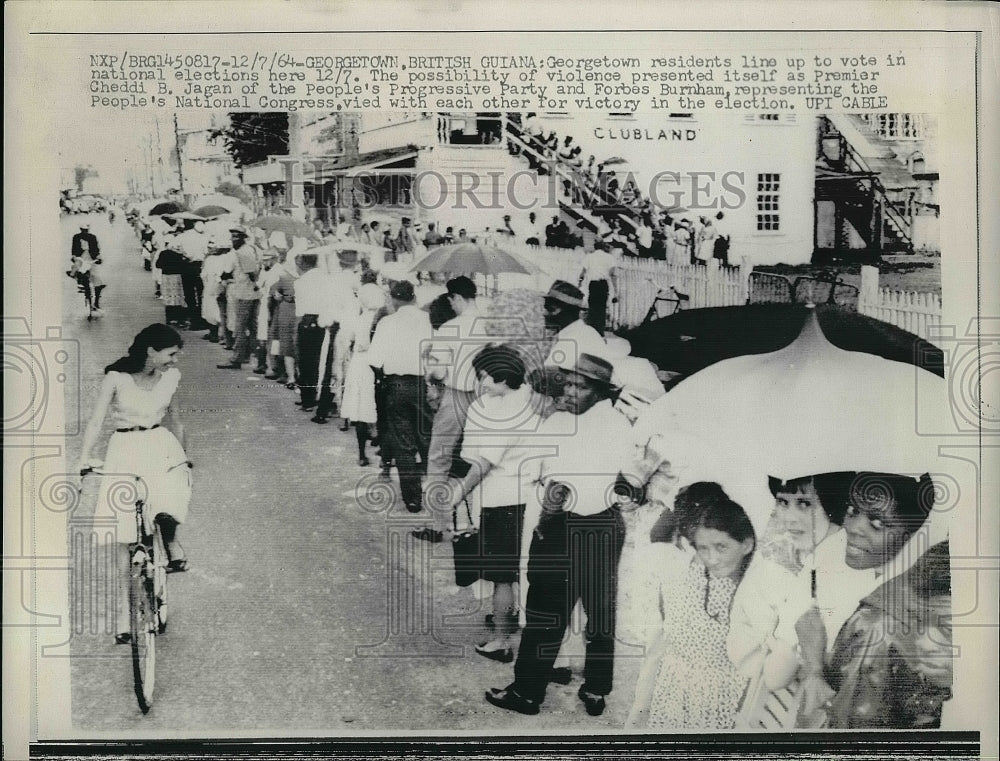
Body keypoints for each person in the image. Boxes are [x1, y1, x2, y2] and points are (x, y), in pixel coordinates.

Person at [485, 354, 633, 717]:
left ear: (599, 392)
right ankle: (597, 689)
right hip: (606, 525)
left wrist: (543, 526)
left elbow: (554, 487)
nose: (569, 391)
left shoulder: (566, 424)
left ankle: (527, 693)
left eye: (579, 386)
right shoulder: (619, 423)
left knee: (545, 613)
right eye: (566, 383)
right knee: (600, 613)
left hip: (565, 524)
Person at [795, 472, 952, 729]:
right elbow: (804, 609)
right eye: (853, 510)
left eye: (878, 523)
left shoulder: (913, 590)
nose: (853, 527)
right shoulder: (832, 548)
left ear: (910, 534)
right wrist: (814, 671)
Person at [76, 324, 192, 644]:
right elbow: (97, 421)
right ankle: (123, 616)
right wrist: (82, 460)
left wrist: (184, 456)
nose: (175, 360)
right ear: (151, 352)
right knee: (124, 534)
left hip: (160, 445)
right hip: (124, 451)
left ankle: (169, 541)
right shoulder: (116, 379)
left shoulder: (171, 378)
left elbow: (176, 420)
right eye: (170, 353)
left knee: (170, 497)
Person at [626, 484, 769, 729]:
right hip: (675, 681)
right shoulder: (683, 567)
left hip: (718, 691)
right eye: (701, 544)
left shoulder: (748, 583)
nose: (709, 553)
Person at [446, 345, 539, 661]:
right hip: (527, 496)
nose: (481, 383)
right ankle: (509, 619)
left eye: (485, 377)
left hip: (503, 500)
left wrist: (457, 493)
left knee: (501, 574)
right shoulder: (530, 398)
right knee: (516, 569)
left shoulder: (505, 412)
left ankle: (500, 641)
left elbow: (483, 463)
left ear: (503, 377)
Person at [416, 276, 489, 543]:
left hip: (456, 397)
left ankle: (438, 525)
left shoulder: (450, 328)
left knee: (439, 457)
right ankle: (479, 522)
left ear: (455, 298)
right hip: (486, 398)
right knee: (482, 459)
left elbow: (438, 370)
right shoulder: (491, 328)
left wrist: (430, 375)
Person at [366, 280, 434, 512]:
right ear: (414, 297)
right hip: (421, 383)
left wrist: (384, 379)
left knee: (403, 442)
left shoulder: (387, 322)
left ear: (394, 300)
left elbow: (374, 360)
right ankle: (436, 489)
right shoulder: (428, 320)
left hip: (395, 384)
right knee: (426, 437)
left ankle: (412, 499)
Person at [339, 282, 387, 465]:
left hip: (360, 364)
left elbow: (348, 341)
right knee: (380, 406)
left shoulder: (358, 319)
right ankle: (384, 451)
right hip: (378, 364)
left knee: (360, 409)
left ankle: (361, 454)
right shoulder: (382, 320)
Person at [217, 227, 260, 370]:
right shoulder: (250, 250)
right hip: (251, 293)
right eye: (232, 237)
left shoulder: (241, 253)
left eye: (236, 237)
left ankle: (237, 358)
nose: (233, 240)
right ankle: (254, 356)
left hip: (243, 294)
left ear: (243, 238)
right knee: (253, 326)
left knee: (240, 327)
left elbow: (249, 273)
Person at [541, 280, 607, 369]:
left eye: (550, 309)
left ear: (567, 312)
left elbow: (547, 378)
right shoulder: (585, 331)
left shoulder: (572, 339)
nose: (544, 313)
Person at [578, 246, 618, 336]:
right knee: (601, 308)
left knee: (592, 307)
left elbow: (582, 274)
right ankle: (600, 333)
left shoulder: (589, 256)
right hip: (603, 285)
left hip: (593, 284)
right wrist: (615, 291)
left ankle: (591, 333)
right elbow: (612, 275)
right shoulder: (610, 257)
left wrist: (579, 285)